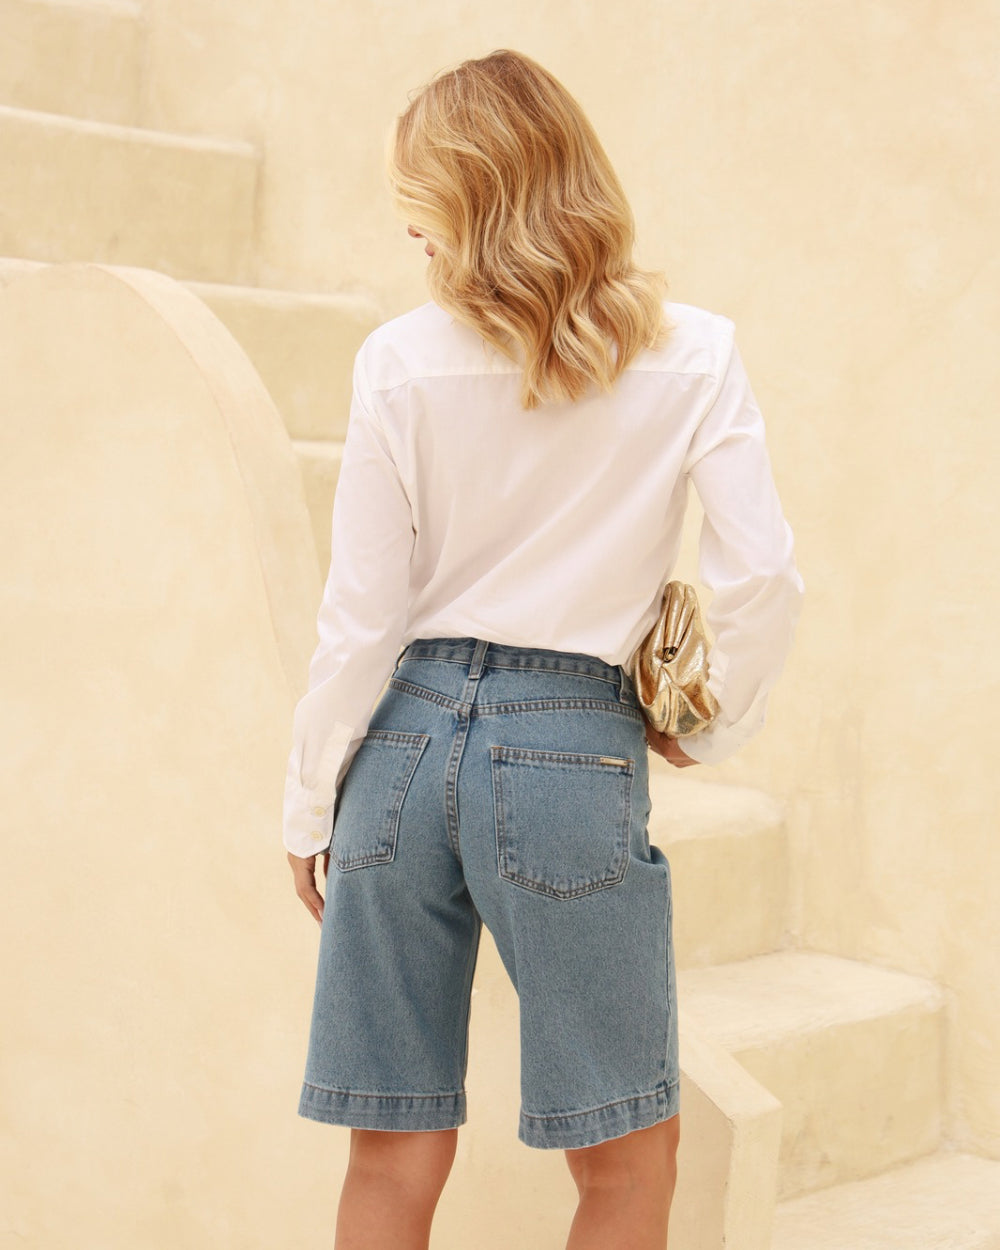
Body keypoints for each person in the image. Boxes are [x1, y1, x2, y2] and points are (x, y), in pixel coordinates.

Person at [283, 48, 804, 1250]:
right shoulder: (694, 351)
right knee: (625, 1157)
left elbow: (360, 613)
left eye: (420, 198)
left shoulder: (396, 359)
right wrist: (709, 719)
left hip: (399, 746)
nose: (408, 228)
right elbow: (763, 571)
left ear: (470, 197)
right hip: (568, 748)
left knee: (390, 1144)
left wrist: (310, 799)